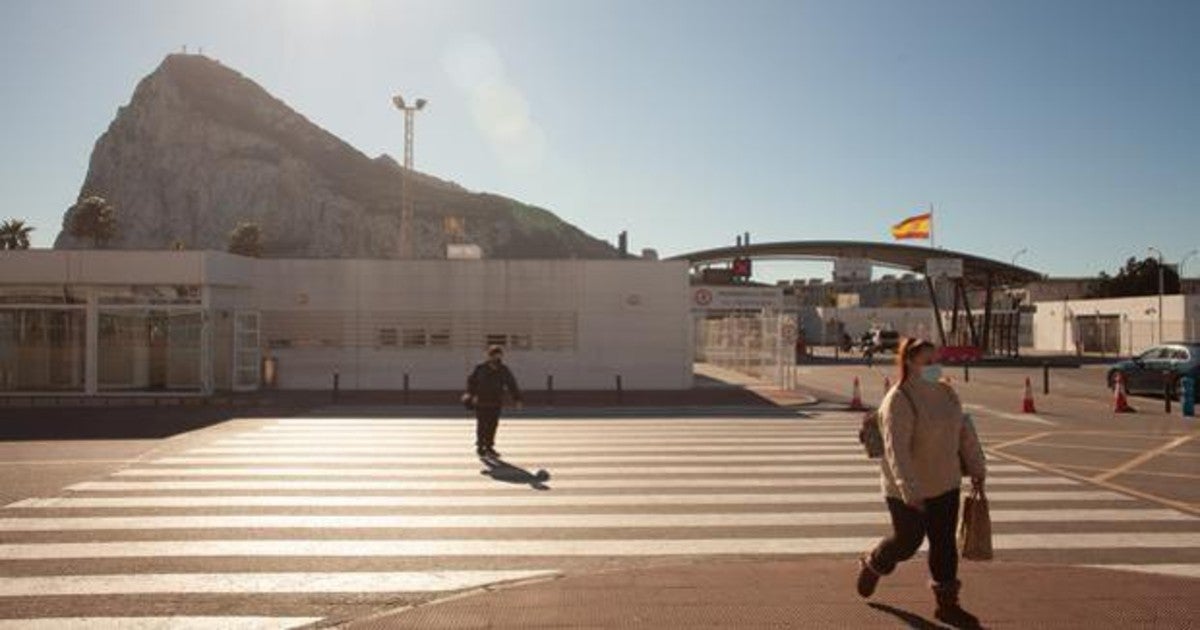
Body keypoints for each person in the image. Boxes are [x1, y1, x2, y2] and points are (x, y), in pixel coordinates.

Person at [855, 337, 987, 628]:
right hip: (906, 488)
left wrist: (977, 467)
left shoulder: (947, 393)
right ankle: (876, 562)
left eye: (936, 360)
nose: (934, 367)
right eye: (927, 362)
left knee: (944, 543)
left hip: (945, 482)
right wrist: (908, 489)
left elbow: (963, 431)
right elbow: (895, 450)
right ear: (909, 363)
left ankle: (947, 605)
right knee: (907, 541)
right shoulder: (899, 399)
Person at [465, 345, 523, 458]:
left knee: (492, 425)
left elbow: (511, 384)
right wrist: (470, 395)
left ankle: (489, 447)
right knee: (482, 424)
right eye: (494, 355)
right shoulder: (480, 368)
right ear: (489, 355)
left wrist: (517, 399)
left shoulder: (503, 369)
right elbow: (471, 382)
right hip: (481, 401)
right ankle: (480, 446)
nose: (496, 358)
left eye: (498, 355)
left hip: (496, 402)